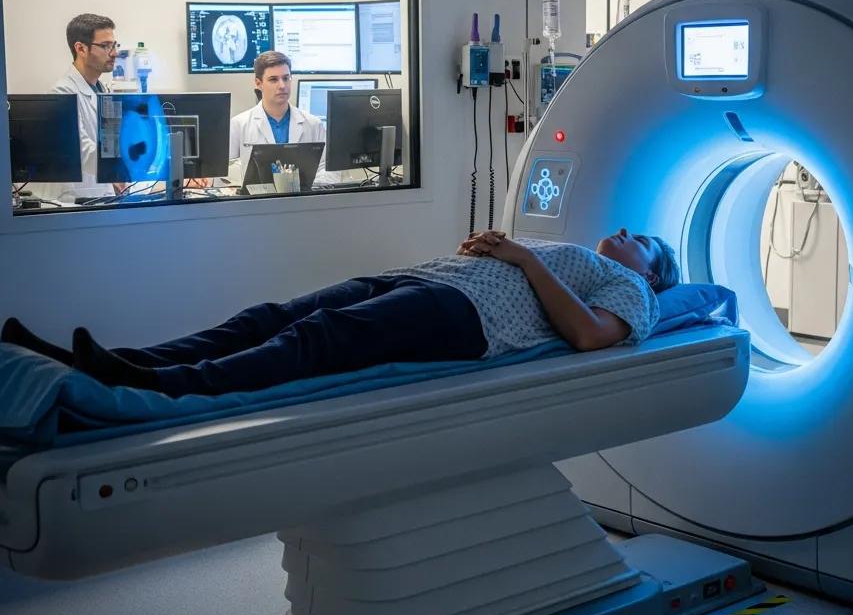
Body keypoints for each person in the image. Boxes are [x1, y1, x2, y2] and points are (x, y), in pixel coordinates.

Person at [2, 229, 681, 398]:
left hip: (464, 318)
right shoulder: (581, 252)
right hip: (425, 279)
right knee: (264, 318)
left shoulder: (633, 291)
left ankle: (163, 389)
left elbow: (592, 338)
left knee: (315, 340)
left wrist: (523, 261)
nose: (624, 230)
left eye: (641, 238)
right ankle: (120, 360)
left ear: (651, 271)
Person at [32, 13, 118, 203]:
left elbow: (110, 146)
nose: (114, 53)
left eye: (114, 45)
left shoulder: (102, 90)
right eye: (105, 46)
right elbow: (83, 153)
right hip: (72, 200)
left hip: (98, 196)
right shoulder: (62, 93)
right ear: (80, 48)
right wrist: (124, 163)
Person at [228, 51, 331, 187]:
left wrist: (305, 189)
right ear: (258, 83)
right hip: (254, 204)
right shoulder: (238, 125)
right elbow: (226, 176)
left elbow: (327, 170)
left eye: (286, 78)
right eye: (273, 79)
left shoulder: (313, 124)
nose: (282, 85)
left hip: (303, 202)